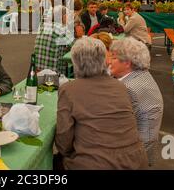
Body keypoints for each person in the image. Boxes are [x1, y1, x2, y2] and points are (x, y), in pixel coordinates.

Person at [56, 37, 148, 170]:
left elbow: (63, 143)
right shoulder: (121, 86)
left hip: (95, 164)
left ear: (75, 62)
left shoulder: (68, 90)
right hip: (135, 162)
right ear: (105, 61)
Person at [109, 38, 164, 165]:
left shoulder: (128, 88)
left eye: (114, 58)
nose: (109, 61)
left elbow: (113, 123)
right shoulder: (141, 74)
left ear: (127, 63)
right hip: (144, 143)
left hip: (134, 152)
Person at [34, 5, 73, 74]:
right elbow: (75, 46)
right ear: (64, 16)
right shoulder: (62, 29)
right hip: (53, 73)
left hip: (37, 69)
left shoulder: (42, 26)